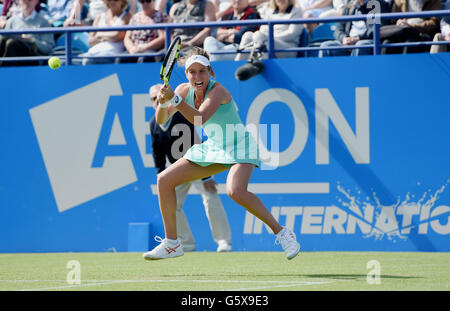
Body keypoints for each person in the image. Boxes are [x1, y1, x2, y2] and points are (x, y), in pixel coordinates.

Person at [142, 47, 300, 260]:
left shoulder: (218, 91)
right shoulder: (181, 90)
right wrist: (162, 102)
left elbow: (199, 119)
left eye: (202, 71)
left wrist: (175, 102)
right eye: (192, 72)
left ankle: (283, 233)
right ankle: (172, 243)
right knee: (164, 180)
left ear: (210, 72)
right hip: (213, 147)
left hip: (239, 144)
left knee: (236, 191)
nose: (197, 76)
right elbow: (161, 120)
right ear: (186, 74)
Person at [149, 84, 233, 252]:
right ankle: (186, 243)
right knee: (171, 205)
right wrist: (162, 175)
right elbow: (157, 152)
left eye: (160, 96)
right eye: (153, 99)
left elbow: (196, 140)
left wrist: (206, 177)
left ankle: (224, 242)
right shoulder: (154, 123)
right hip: (177, 170)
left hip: (197, 164)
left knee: (211, 198)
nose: (158, 100)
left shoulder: (180, 115)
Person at [235, 0, 303, 60]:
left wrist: (270, 38)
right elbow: (263, 30)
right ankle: (237, 64)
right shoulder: (269, 12)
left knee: (260, 37)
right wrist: (267, 38)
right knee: (248, 35)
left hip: (288, 47)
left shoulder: (296, 11)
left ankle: (260, 64)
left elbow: (292, 33)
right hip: (267, 42)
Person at [318, 0, 390, 57]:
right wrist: (344, 39)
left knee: (361, 45)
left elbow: (376, 30)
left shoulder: (375, 4)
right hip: (348, 43)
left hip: (365, 41)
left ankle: (356, 74)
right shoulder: (350, 5)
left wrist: (357, 38)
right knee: (326, 46)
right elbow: (338, 30)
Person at [0, 0, 54, 66]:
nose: (27, 3)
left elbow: (48, 48)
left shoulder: (44, 22)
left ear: (36, 1)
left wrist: (31, 40)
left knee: (12, 43)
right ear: (19, 1)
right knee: (3, 40)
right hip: (14, 57)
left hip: (33, 59)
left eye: (30, 0)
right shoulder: (12, 21)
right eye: (24, 0)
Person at [79, 0, 132, 64]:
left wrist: (99, 34)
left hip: (113, 55)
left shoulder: (127, 16)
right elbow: (90, 41)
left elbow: (116, 36)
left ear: (122, 2)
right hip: (93, 52)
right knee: (75, 60)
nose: (112, 2)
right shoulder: (99, 17)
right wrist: (108, 36)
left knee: (88, 60)